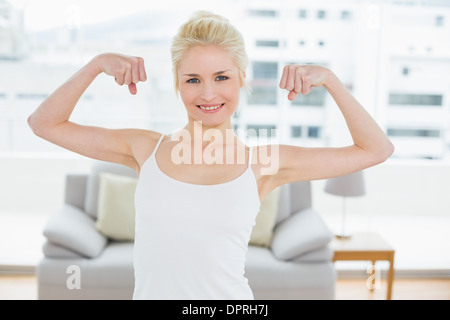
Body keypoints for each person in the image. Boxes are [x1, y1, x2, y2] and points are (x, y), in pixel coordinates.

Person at [28, 11, 394, 300]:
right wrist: (96, 65)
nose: (207, 94)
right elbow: (44, 123)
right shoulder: (144, 149)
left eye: (221, 77)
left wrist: (329, 79)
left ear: (241, 79)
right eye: (192, 79)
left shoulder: (263, 163)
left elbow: (376, 149)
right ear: (176, 83)